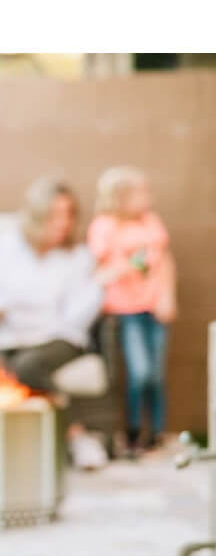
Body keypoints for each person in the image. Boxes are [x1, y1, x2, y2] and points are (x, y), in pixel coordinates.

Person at [0, 176, 109, 469]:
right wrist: (23, 305)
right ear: (37, 215)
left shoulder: (77, 257)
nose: (63, 222)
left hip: (61, 337)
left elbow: (74, 317)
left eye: (69, 214)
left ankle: (76, 436)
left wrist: (99, 285)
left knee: (28, 367)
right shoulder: (10, 246)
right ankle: (24, 448)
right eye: (55, 215)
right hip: (14, 336)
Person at [87, 166, 176, 454]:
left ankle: (158, 434)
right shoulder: (105, 226)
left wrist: (167, 296)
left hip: (154, 309)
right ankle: (134, 432)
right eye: (141, 192)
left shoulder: (151, 222)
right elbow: (98, 273)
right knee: (139, 373)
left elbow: (163, 261)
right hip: (126, 312)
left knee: (157, 375)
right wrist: (126, 266)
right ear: (120, 197)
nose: (147, 198)